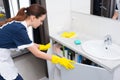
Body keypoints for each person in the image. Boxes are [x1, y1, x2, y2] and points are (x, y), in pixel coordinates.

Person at [0, 4, 75, 80]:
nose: (41, 23)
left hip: (4, 57)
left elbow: (29, 43)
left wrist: (44, 46)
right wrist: (59, 60)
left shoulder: (19, 25)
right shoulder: (19, 29)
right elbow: (37, 53)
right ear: (33, 18)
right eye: (41, 20)